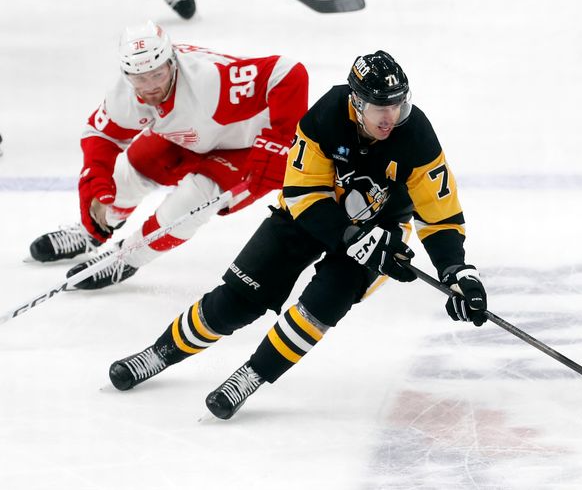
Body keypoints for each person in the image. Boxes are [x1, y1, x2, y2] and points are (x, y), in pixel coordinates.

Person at [107, 50, 488, 420]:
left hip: (380, 231)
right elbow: (303, 193)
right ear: (356, 103)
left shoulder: (416, 136)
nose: (390, 117)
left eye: (397, 105)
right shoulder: (326, 115)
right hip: (309, 216)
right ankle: (160, 352)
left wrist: (457, 271)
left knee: (318, 308)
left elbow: (440, 215)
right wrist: (351, 235)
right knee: (237, 300)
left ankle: (252, 375)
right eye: (379, 107)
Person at [28, 21, 308, 289]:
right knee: (129, 171)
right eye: (140, 78)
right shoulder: (123, 95)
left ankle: (126, 258)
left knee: (190, 203)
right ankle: (93, 231)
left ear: (172, 62)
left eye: (158, 74)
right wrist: (96, 188)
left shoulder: (211, 80)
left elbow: (288, 72)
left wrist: (281, 142)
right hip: (190, 136)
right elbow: (100, 137)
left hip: (245, 146)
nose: (150, 86)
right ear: (127, 74)